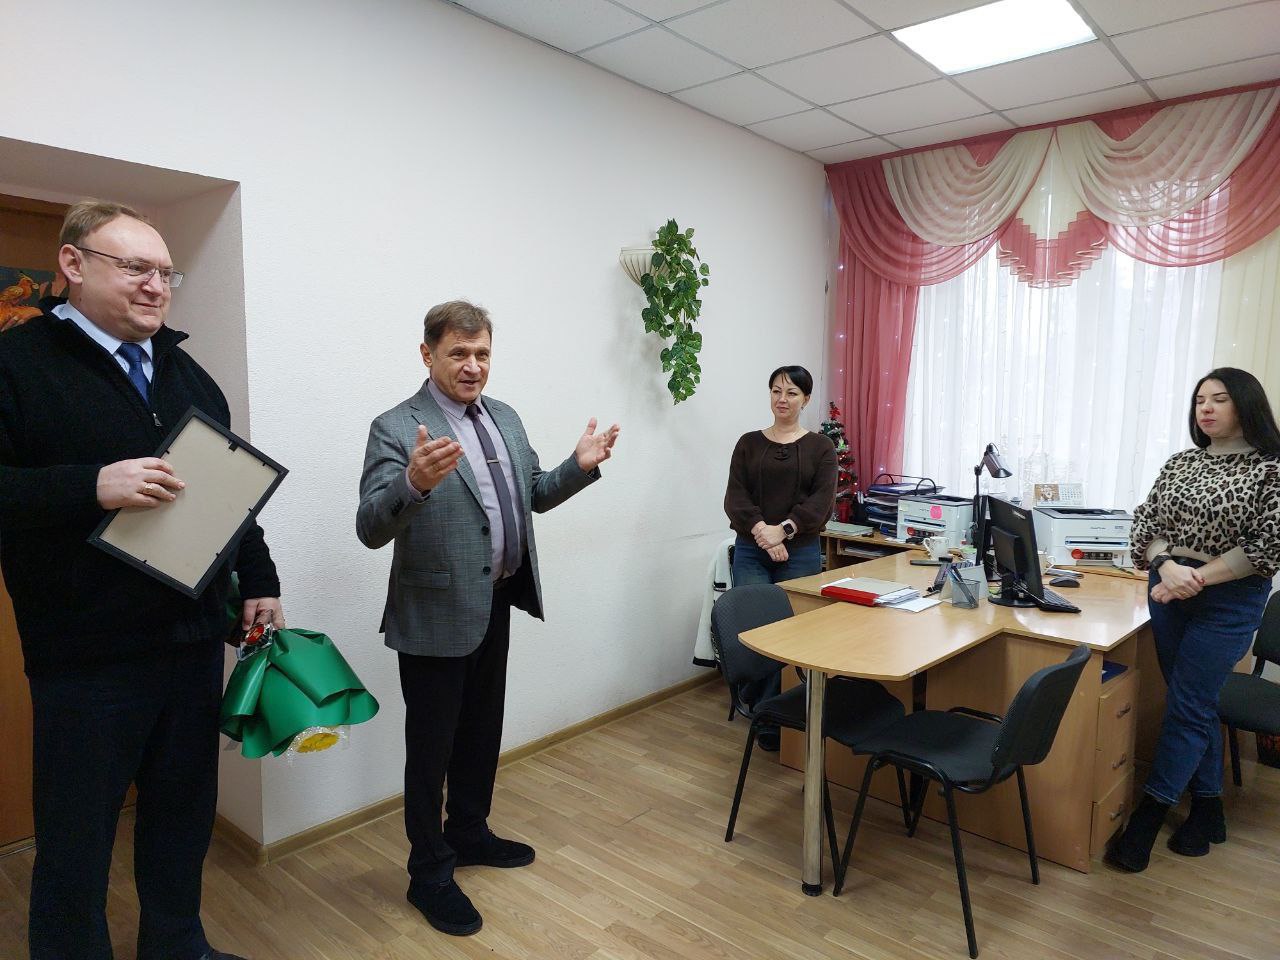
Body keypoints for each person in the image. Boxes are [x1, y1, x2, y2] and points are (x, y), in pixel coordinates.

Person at [0, 200, 283, 960]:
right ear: (73, 264)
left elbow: (229, 492)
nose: (156, 286)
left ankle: (176, 944)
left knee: (182, 814)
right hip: (86, 655)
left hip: (192, 639)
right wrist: (90, 485)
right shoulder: (16, 365)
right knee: (77, 837)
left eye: (165, 272)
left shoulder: (189, 373)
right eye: (135, 268)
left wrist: (259, 577)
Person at [356, 299, 619, 937]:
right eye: (458, 353)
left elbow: (533, 496)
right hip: (433, 615)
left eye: (482, 354)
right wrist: (413, 484)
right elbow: (369, 527)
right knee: (432, 751)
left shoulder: (505, 417)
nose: (473, 366)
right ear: (427, 355)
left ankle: (469, 832)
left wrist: (578, 467)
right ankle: (428, 872)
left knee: (480, 732)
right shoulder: (396, 427)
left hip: (495, 602)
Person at [1108, 367, 1280, 872]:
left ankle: (1149, 815)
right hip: (1168, 590)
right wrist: (1165, 566)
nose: (1206, 407)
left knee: (1186, 706)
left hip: (1229, 599)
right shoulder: (1182, 462)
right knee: (1194, 704)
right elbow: (1146, 522)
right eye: (1200, 399)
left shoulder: (1271, 468)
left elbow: (1268, 544)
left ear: (1246, 404)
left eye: (1220, 399)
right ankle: (1208, 808)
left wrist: (1195, 578)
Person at [723, 365, 836, 749]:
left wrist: (784, 530)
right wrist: (763, 532)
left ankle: (784, 712)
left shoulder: (821, 447)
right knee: (759, 631)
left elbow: (820, 503)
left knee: (793, 632)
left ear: (806, 399)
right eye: (776, 391)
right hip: (751, 551)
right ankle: (766, 713)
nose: (782, 399)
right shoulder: (748, 443)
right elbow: (735, 497)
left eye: (791, 393)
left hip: (800, 552)